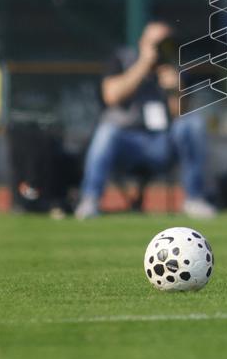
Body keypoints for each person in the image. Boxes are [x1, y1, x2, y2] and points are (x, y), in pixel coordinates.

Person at [75, 21, 217, 220]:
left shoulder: (174, 66)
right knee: (107, 131)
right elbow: (111, 95)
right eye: (155, 43)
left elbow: (179, 114)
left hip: (162, 143)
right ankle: (90, 200)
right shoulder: (122, 59)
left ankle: (194, 198)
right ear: (142, 42)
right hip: (126, 141)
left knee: (193, 124)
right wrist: (143, 65)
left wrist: (175, 89)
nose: (160, 48)